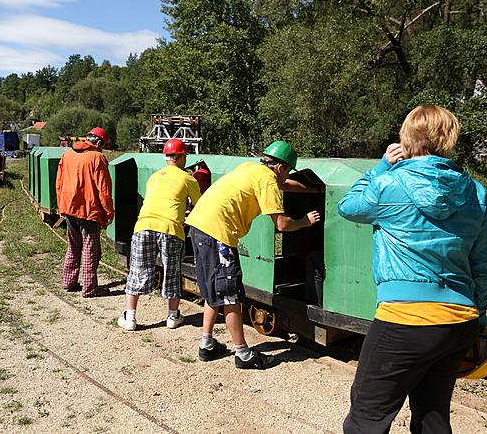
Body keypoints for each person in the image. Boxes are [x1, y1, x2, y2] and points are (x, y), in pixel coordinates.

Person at [337, 106, 487, 434]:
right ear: (449, 139)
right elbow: (482, 262)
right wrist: (478, 315)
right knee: (433, 417)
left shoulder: (388, 184)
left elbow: (348, 207)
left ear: (406, 138)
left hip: (406, 322)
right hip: (458, 322)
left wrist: (380, 167)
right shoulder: (475, 192)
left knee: (366, 418)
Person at [185, 141, 321, 369]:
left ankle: (206, 345)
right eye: (287, 170)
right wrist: (305, 221)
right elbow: (282, 224)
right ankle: (243, 355)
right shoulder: (268, 180)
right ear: (280, 167)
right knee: (230, 294)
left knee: (213, 289)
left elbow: (284, 185)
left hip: (199, 227)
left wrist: (311, 190)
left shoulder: (251, 169)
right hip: (218, 233)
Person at [117, 138, 201, 331]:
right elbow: (199, 206)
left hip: (144, 226)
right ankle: (172, 317)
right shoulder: (188, 178)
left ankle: (130, 317)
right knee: (172, 272)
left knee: (137, 271)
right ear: (180, 158)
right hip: (170, 229)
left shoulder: (154, 177)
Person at [56, 127, 114, 298]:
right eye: (102, 145)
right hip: (89, 211)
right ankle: (89, 289)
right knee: (90, 249)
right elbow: (104, 190)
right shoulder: (97, 158)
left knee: (73, 247)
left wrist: (61, 206)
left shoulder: (67, 155)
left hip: (68, 208)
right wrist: (109, 212)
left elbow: (59, 183)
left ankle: (68, 282)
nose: (102, 149)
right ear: (98, 142)